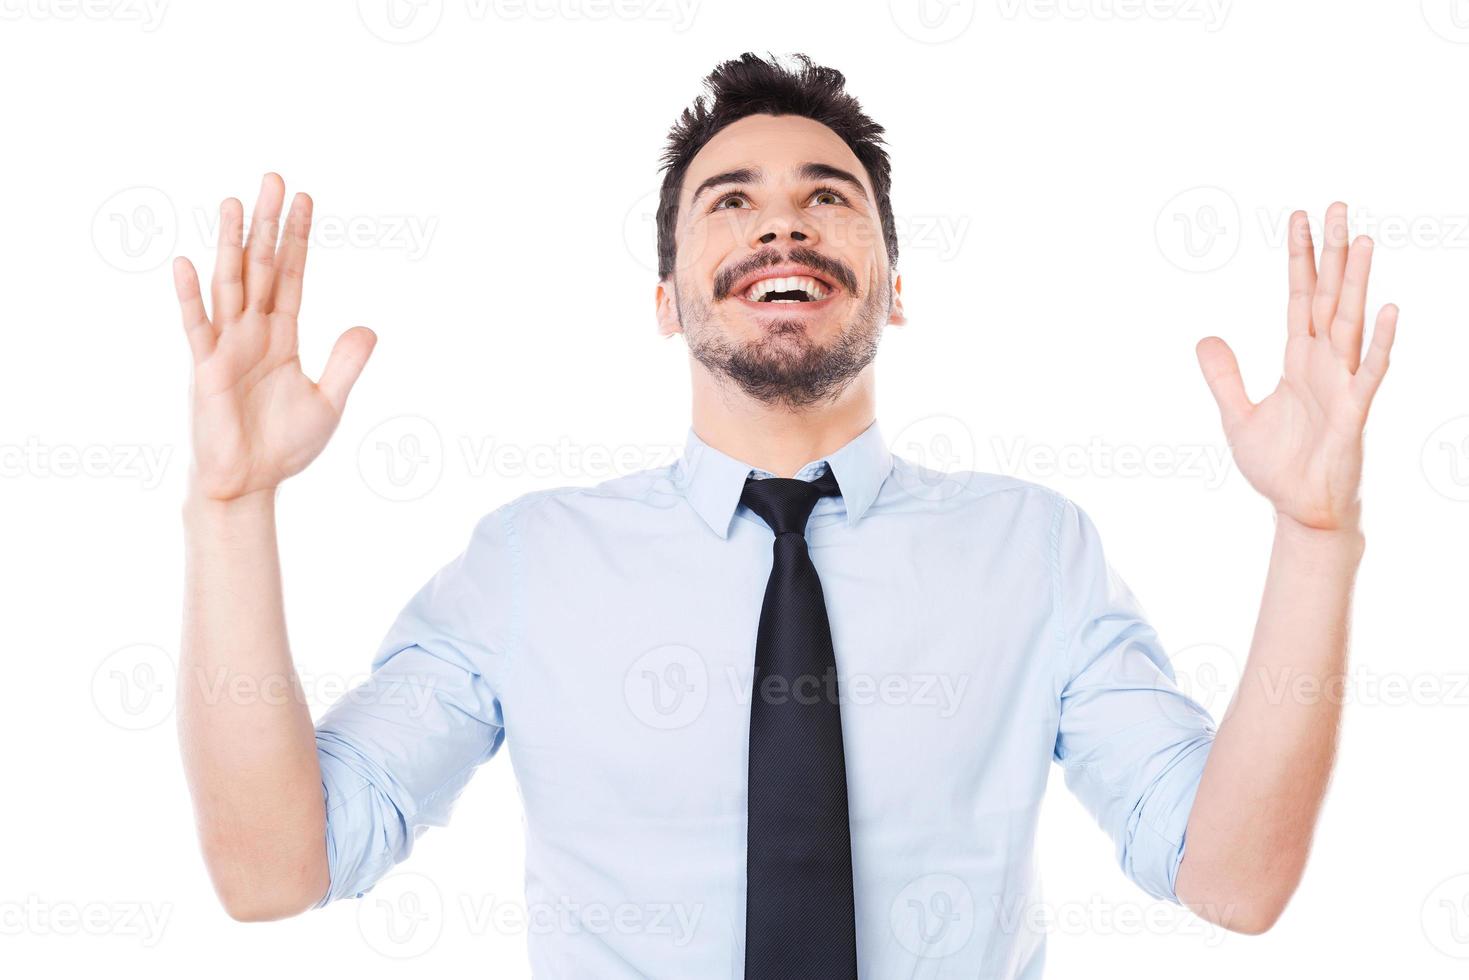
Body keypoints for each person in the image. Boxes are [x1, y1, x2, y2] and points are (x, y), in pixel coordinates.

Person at [171, 52, 1398, 977]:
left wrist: (1313, 536)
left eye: (828, 194)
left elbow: (1230, 881)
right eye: (728, 199)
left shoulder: (1035, 551)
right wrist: (229, 506)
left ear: (894, 287)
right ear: (665, 298)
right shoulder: (527, 564)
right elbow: (280, 867)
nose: (780, 220)